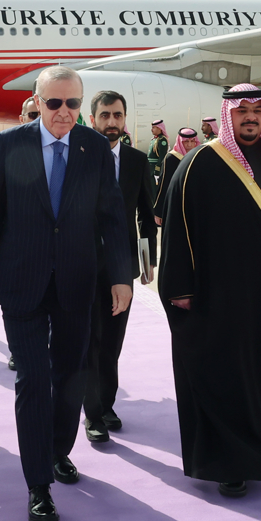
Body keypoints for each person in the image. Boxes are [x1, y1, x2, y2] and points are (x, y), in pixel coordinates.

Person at [0, 65, 132, 521]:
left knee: (69, 377)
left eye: (73, 103)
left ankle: (58, 450)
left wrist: (121, 275)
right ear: (37, 102)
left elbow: (112, 217)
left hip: (77, 283)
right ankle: (38, 484)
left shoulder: (94, 147)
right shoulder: (10, 144)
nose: (64, 112)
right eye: (54, 103)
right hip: (21, 282)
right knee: (32, 378)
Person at [159, 83, 261, 500]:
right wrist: (180, 288)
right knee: (225, 375)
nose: (250, 118)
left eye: (256, 111)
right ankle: (229, 463)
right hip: (219, 296)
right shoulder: (200, 163)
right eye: (242, 111)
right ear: (229, 115)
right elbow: (177, 229)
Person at [83, 90, 157, 443]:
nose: (111, 122)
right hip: (83, 263)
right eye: (105, 115)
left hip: (122, 265)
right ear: (92, 119)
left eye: (117, 115)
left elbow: (147, 214)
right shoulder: (78, 157)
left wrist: (147, 262)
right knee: (90, 341)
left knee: (112, 340)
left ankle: (107, 405)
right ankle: (93, 413)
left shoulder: (137, 160)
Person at [153, 127, 200, 225]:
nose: (190, 145)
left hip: (195, 205)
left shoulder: (199, 157)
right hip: (176, 205)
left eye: (192, 141)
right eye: (186, 141)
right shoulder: (171, 158)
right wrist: (158, 211)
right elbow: (163, 185)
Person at [147, 119, 169, 184]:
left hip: (155, 168)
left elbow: (162, 156)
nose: (151, 130)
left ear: (159, 128)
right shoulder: (154, 139)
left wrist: (157, 170)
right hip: (150, 168)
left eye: (153, 128)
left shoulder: (162, 140)